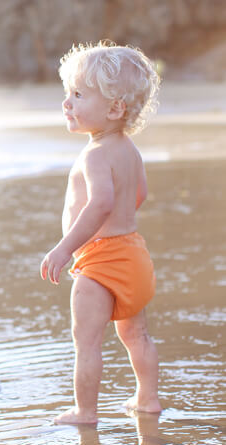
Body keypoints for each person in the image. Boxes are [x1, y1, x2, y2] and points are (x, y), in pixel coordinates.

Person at [40, 41, 163, 424]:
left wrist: (64, 249)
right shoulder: (129, 150)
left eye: (78, 95)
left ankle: (85, 411)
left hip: (98, 262)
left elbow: (100, 204)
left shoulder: (94, 154)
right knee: (136, 335)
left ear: (114, 107)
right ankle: (148, 398)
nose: (67, 103)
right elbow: (138, 193)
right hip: (133, 254)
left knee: (87, 342)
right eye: (67, 94)